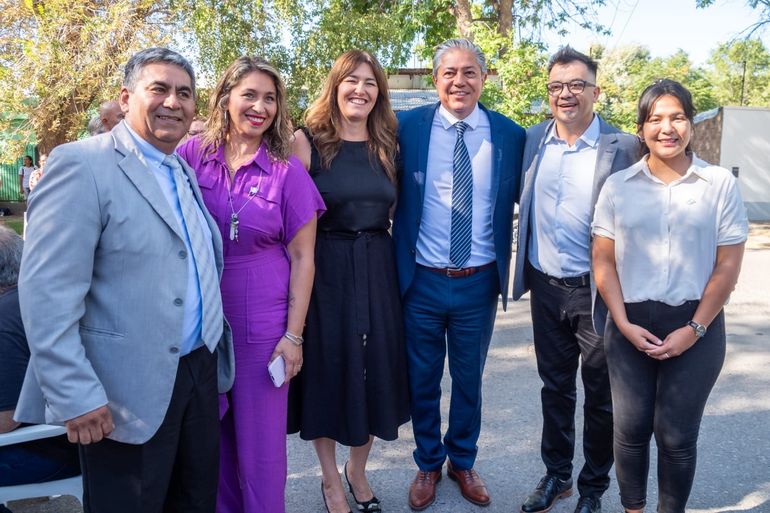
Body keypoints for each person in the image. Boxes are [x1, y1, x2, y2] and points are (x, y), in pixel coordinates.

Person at [13, 47, 235, 513]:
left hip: (195, 371)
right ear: (126, 97)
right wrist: (75, 393)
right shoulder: (82, 164)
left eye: (184, 93)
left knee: (193, 501)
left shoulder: (180, 168)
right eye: (159, 89)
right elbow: (47, 292)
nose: (172, 102)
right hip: (120, 392)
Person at [592, 79, 748, 513]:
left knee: (677, 435)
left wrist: (694, 329)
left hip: (696, 324)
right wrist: (622, 324)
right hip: (630, 324)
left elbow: (727, 267)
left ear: (690, 123)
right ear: (641, 128)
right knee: (630, 429)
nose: (667, 127)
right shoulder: (619, 186)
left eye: (677, 116)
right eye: (655, 118)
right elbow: (603, 261)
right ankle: (634, 509)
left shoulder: (717, 184)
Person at [177, 56, 324, 513]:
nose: (260, 106)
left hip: (263, 323)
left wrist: (293, 336)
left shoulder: (287, 173)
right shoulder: (191, 155)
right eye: (249, 95)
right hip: (201, 317)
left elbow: (303, 259)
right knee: (210, 438)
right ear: (225, 100)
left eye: (270, 98)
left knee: (259, 448)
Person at [393, 38, 524, 510]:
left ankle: (462, 459)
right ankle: (428, 462)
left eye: (469, 72)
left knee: (469, 379)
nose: (459, 81)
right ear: (435, 80)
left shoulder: (510, 135)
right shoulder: (406, 128)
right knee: (422, 378)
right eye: (449, 72)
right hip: (422, 280)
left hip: (478, 281)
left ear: (484, 78)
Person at [511, 46, 638, 513]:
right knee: (555, 388)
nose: (566, 94)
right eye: (557, 86)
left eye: (576, 85)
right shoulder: (531, 140)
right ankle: (556, 475)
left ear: (595, 91)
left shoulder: (624, 146)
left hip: (598, 291)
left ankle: (592, 488)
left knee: (601, 395)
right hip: (546, 286)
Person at [290, 50, 410, 513]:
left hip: (378, 264)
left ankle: (357, 469)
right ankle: (328, 479)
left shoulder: (388, 143)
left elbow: (395, 210)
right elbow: (293, 220)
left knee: (377, 366)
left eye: (370, 83)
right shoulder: (307, 141)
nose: (360, 89)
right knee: (327, 367)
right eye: (351, 81)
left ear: (379, 92)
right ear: (335, 86)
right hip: (326, 268)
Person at [0, 225, 81, 492]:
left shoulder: (4, 318)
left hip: (46, 450)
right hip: (75, 443)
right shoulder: (41, 294)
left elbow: (7, 421)